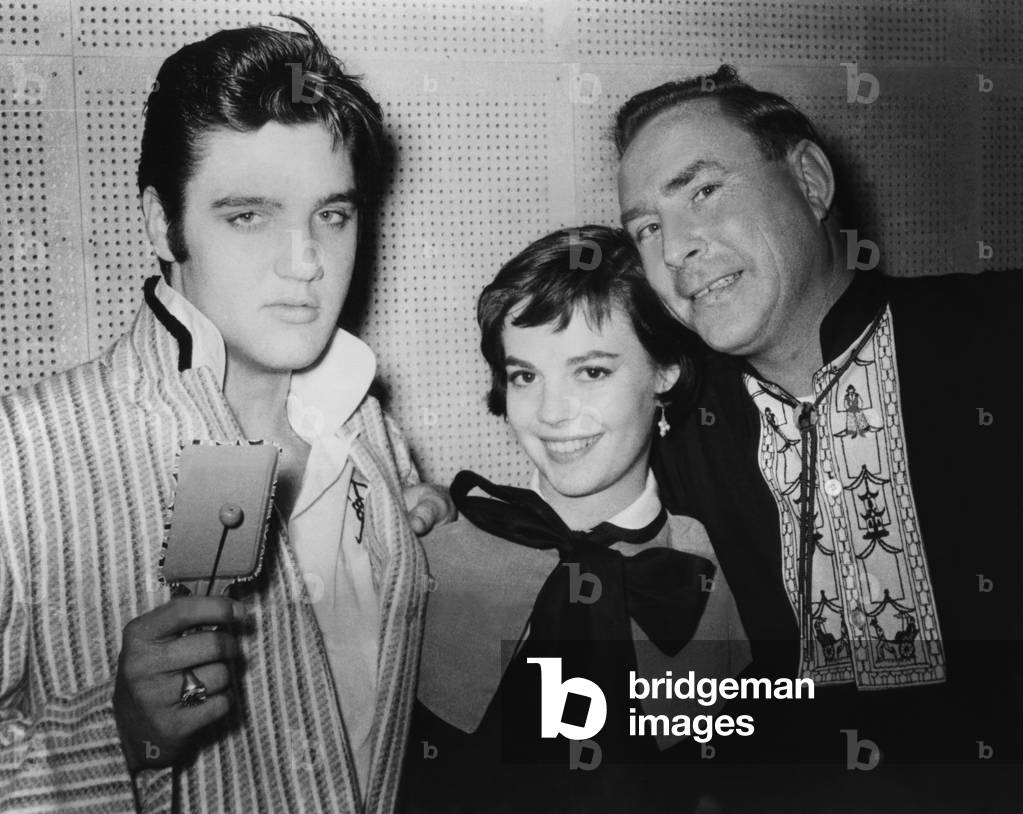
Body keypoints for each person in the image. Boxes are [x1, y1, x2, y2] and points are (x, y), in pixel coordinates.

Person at [0, 17, 450, 812]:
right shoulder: (19, 456)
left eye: (332, 216)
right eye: (248, 216)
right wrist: (120, 734)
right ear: (161, 223)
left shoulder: (369, 430)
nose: (305, 261)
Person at [616, 65, 1022, 810]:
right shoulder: (675, 431)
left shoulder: (999, 339)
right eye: (645, 228)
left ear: (807, 178)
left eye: (702, 191)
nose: (673, 250)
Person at [402, 226, 750, 813]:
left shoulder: (719, 568)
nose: (552, 412)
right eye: (525, 376)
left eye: (591, 371)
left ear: (665, 371)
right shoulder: (438, 549)